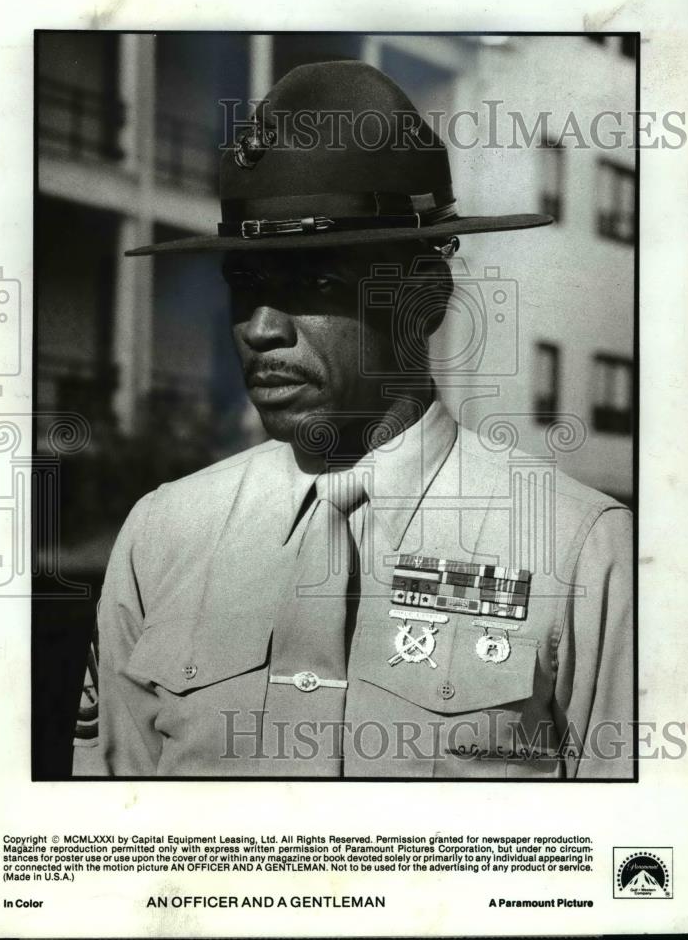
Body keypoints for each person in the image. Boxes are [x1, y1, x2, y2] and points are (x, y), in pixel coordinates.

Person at [72, 60, 633, 779]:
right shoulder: (163, 533)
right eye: (244, 285)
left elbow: (622, 848)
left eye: (316, 282)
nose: (261, 328)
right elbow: (114, 823)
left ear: (423, 299)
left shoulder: (578, 549)